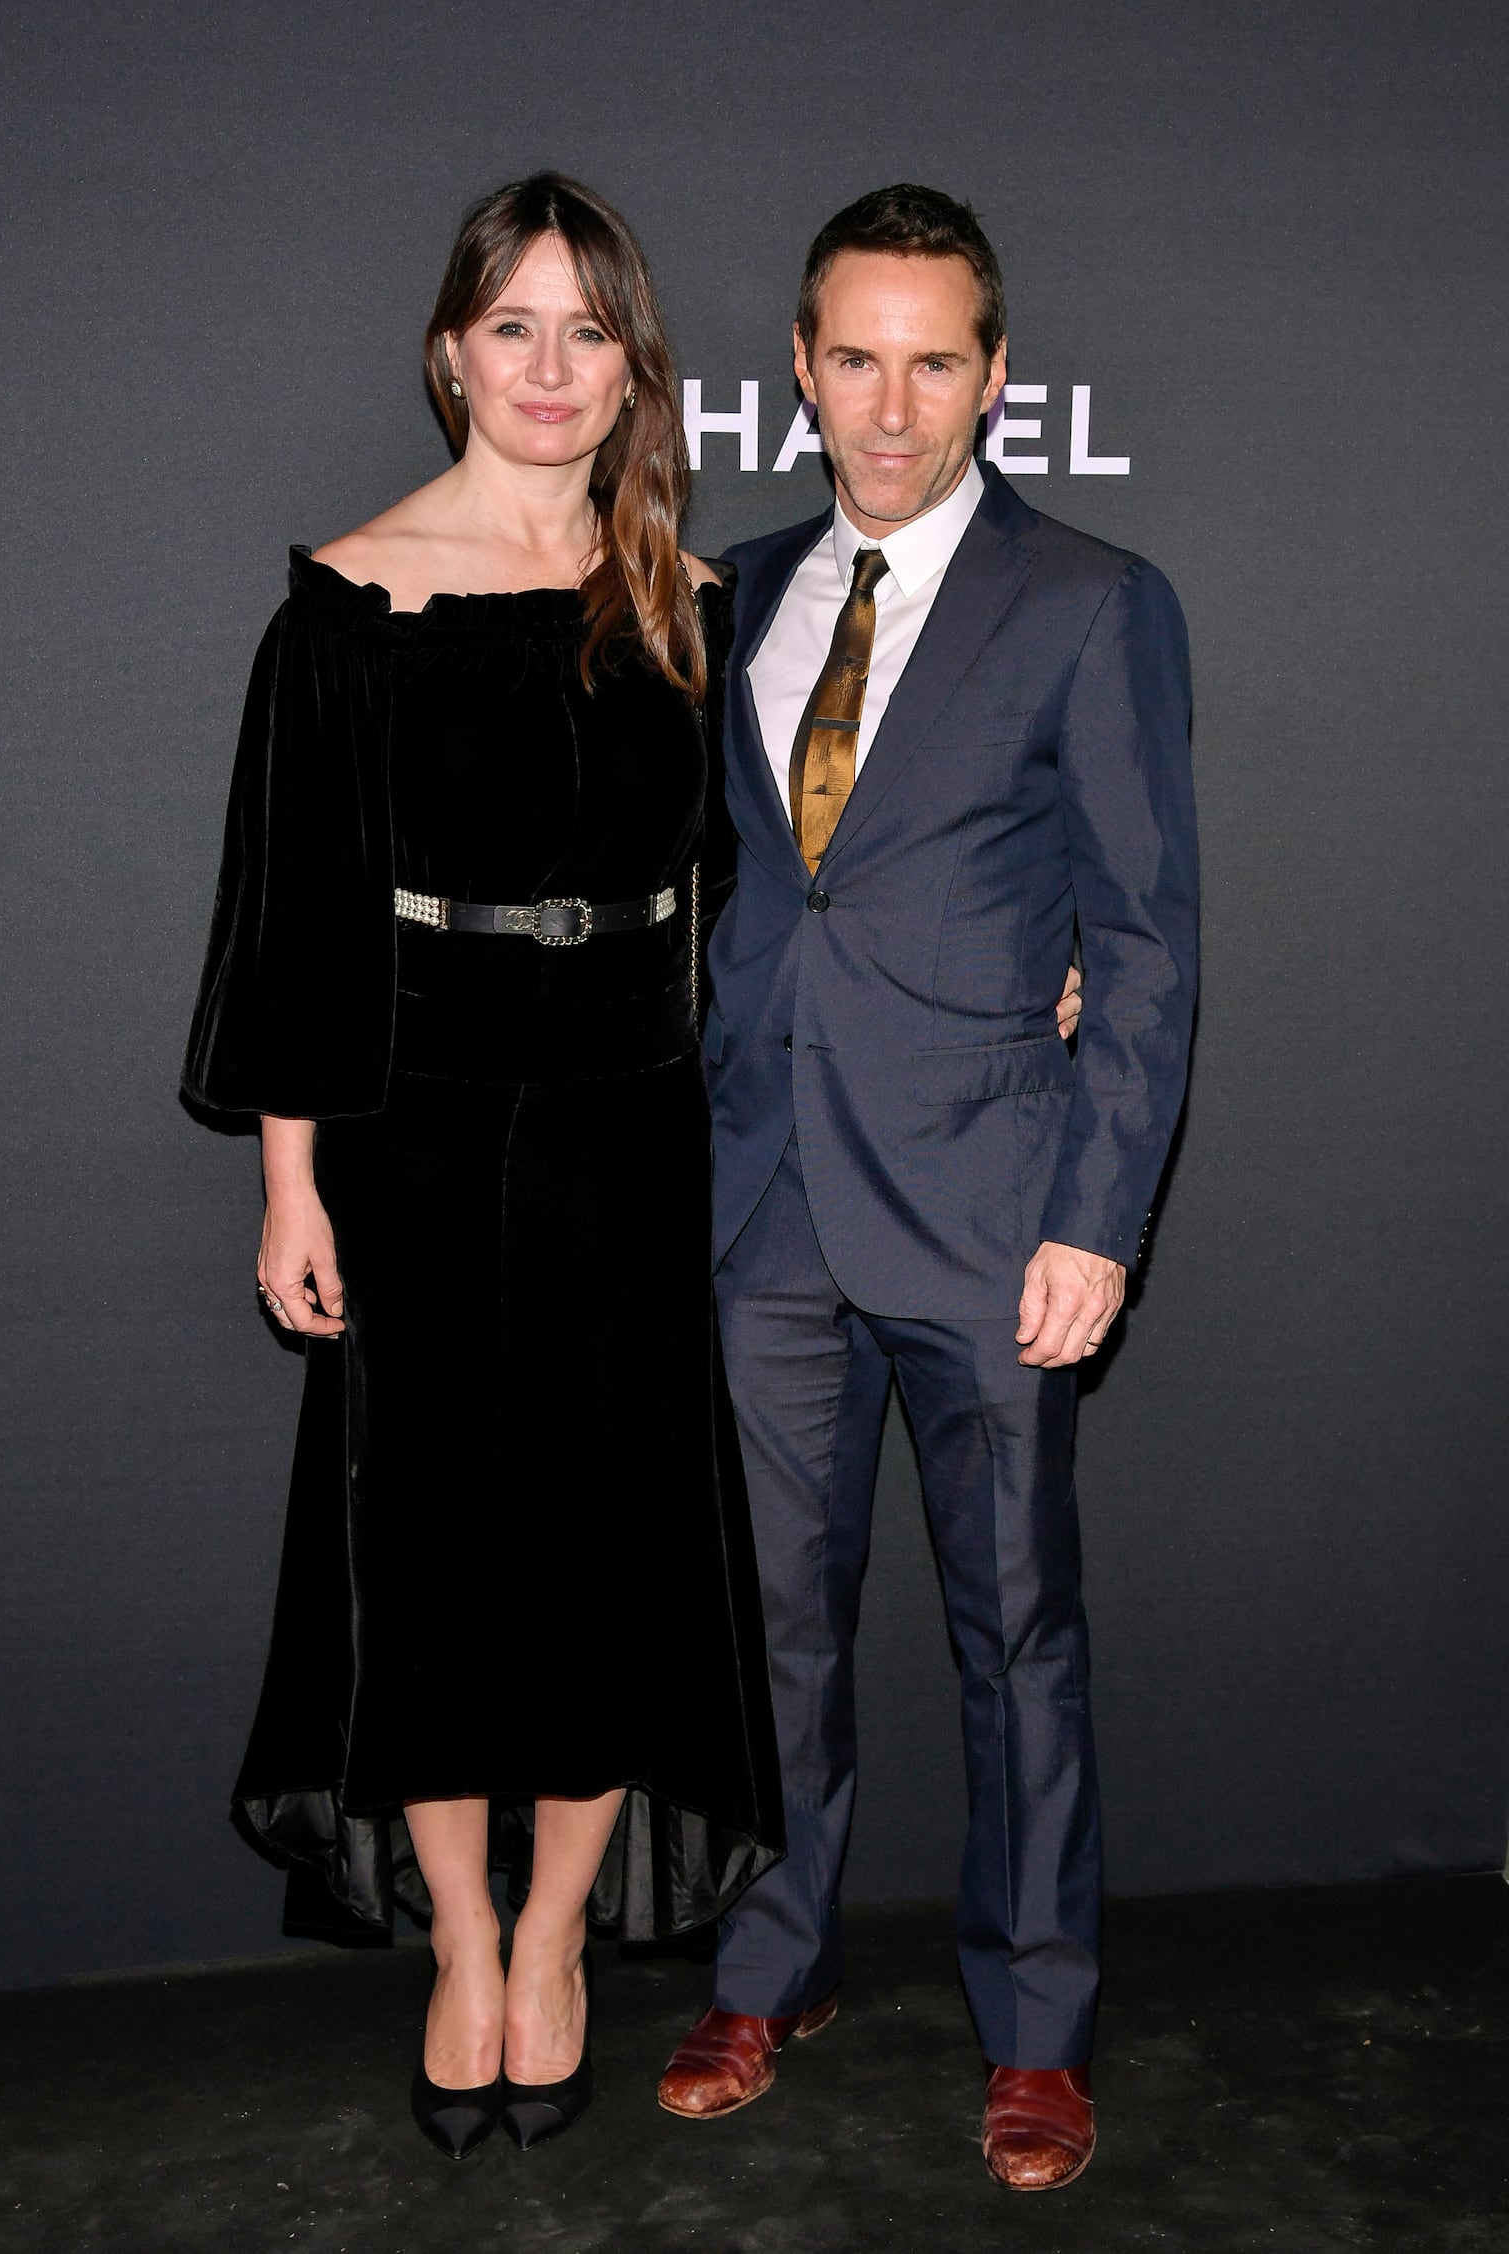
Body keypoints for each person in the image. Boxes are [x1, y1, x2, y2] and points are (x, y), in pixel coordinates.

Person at [181, 172, 792, 2159]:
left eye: (584, 330)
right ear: (448, 347)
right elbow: (290, 925)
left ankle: (551, 1938)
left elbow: (764, 889)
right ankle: (458, 1939)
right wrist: (291, 1185)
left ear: (631, 369)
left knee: (616, 1546)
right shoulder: (348, 598)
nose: (546, 366)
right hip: (416, 1117)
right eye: (510, 325)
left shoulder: (686, 603)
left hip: (631, 1114)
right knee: (431, 1554)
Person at [657, 185, 1198, 2194]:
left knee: (1013, 1624)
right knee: (772, 1623)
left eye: (935, 360)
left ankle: (1036, 2013)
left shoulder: (1088, 598)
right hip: (760, 1205)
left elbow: (1138, 938)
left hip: (989, 1208)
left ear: (993, 374)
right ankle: (771, 1953)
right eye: (853, 358)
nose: (892, 405)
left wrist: (1096, 1209)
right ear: (798, 368)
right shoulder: (727, 594)